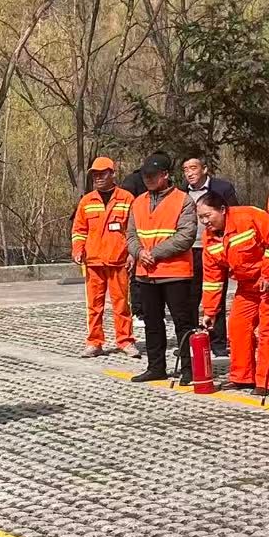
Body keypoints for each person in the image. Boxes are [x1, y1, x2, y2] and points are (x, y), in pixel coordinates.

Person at [197, 191, 269, 390]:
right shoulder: (209, 238)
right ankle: (242, 377)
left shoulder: (249, 217)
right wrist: (210, 311)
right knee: (237, 327)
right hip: (246, 287)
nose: (205, 222)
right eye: (201, 217)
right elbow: (212, 279)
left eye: (208, 216)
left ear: (222, 210)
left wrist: (267, 274)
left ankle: (268, 381)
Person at [127, 153, 197, 384]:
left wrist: (153, 253)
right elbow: (130, 235)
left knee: (183, 323)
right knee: (152, 323)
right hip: (146, 274)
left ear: (165, 175)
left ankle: (189, 369)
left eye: (152, 175)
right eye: (145, 175)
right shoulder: (138, 202)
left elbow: (185, 236)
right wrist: (139, 253)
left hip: (175, 273)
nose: (147, 179)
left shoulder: (183, 200)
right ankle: (156, 367)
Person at [71, 158, 137, 358]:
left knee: (122, 304)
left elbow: (133, 231)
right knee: (94, 305)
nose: (98, 177)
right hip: (93, 261)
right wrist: (78, 249)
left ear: (112, 174)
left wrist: (132, 253)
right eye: (95, 174)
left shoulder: (127, 199)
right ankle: (94, 343)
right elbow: (79, 230)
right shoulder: (86, 201)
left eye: (102, 173)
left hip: (119, 261)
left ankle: (125, 341)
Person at [182, 156, 238, 353]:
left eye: (193, 168)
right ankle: (191, 340)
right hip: (190, 250)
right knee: (190, 297)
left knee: (217, 294)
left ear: (204, 169)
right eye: (185, 169)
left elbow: (233, 216)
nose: (189, 173)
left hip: (216, 248)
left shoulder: (222, 188)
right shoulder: (181, 193)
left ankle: (218, 342)